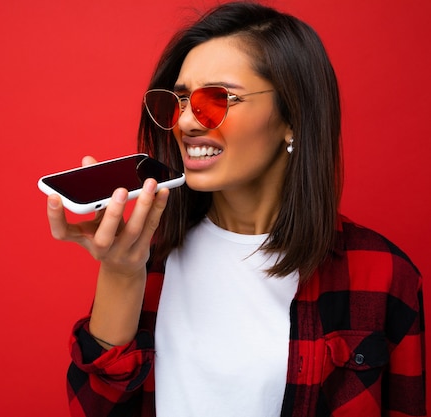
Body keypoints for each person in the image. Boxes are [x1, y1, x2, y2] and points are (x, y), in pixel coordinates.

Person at [44, 1, 426, 416]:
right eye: (181, 100)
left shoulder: (383, 273)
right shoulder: (146, 257)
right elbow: (93, 410)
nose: (187, 123)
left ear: (292, 116)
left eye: (217, 99)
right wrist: (121, 273)